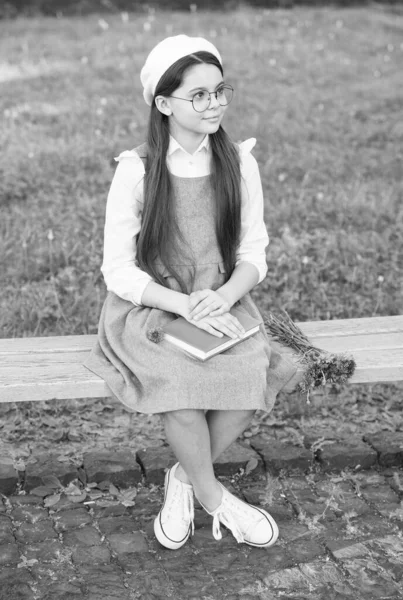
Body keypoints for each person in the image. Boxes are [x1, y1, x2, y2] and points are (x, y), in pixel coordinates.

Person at [85, 34, 296, 551]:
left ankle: (181, 478)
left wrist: (223, 297)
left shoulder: (238, 162)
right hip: (153, 306)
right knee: (178, 381)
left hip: (219, 298)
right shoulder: (138, 169)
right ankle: (214, 495)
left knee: (257, 373)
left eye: (220, 90)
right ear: (163, 104)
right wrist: (181, 304)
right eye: (198, 95)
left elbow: (253, 253)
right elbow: (118, 271)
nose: (215, 103)